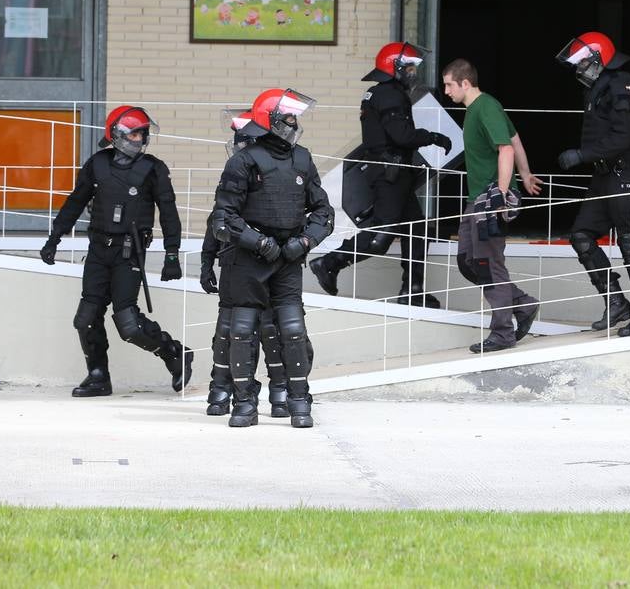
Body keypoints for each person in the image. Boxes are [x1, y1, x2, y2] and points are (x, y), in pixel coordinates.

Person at [39, 105, 192, 397]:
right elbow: (75, 201)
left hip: (128, 252)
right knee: (86, 318)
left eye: (142, 134)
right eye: (134, 134)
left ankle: (174, 353)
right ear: (117, 135)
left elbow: (169, 213)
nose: (139, 139)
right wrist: (54, 238)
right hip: (98, 250)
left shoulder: (154, 168)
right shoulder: (98, 164)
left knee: (129, 324)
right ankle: (98, 376)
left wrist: (172, 254)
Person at [210, 88, 334, 428]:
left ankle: (299, 402)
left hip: (289, 256)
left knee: (293, 329)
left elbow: (323, 211)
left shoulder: (302, 158)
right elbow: (224, 216)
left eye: (295, 117)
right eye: (289, 117)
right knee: (242, 330)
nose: (294, 123)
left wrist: (305, 241)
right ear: (272, 120)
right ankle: (244, 404)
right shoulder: (243, 161)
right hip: (250, 259)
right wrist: (258, 242)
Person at [310, 42, 452, 307]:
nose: (412, 72)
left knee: (417, 230)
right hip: (390, 175)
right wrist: (433, 137)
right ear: (394, 67)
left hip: (394, 173)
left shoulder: (380, 93)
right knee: (380, 237)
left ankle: (413, 290)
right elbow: (402, 135)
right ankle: (329, 263)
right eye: (409, 67)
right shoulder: (389, 94)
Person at [200, 110, 306, 420]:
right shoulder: (238, 171)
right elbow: (217, 222)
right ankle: (223, 388)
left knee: (277, 329)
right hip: (238, 260)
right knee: (231, 330)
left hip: (276, 260)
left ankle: (281, 390)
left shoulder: (281, 169)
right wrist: (207, 262)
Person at [554, 31, 630, 336]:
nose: (578, 68)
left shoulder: (622, 84)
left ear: (599, 59)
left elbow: (625, 137)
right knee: (581, 235)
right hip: (604, 175)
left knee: (628, 242)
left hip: (625, 174)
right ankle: (616, 301)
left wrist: (581, 155)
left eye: (582, 62)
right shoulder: (599, 87)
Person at [440, 59, 543, 353]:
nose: (446, 91)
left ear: (465, 83)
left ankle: (502, 332)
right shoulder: (477, 109)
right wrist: (525, 174)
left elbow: (506, 148)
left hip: (489, 200)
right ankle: (522, 304)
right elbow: (514, 139)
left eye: (449, 85)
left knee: (488, 264)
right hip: (476, 200)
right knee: (468, 261)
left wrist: (501, 193)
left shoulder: (485, 107)